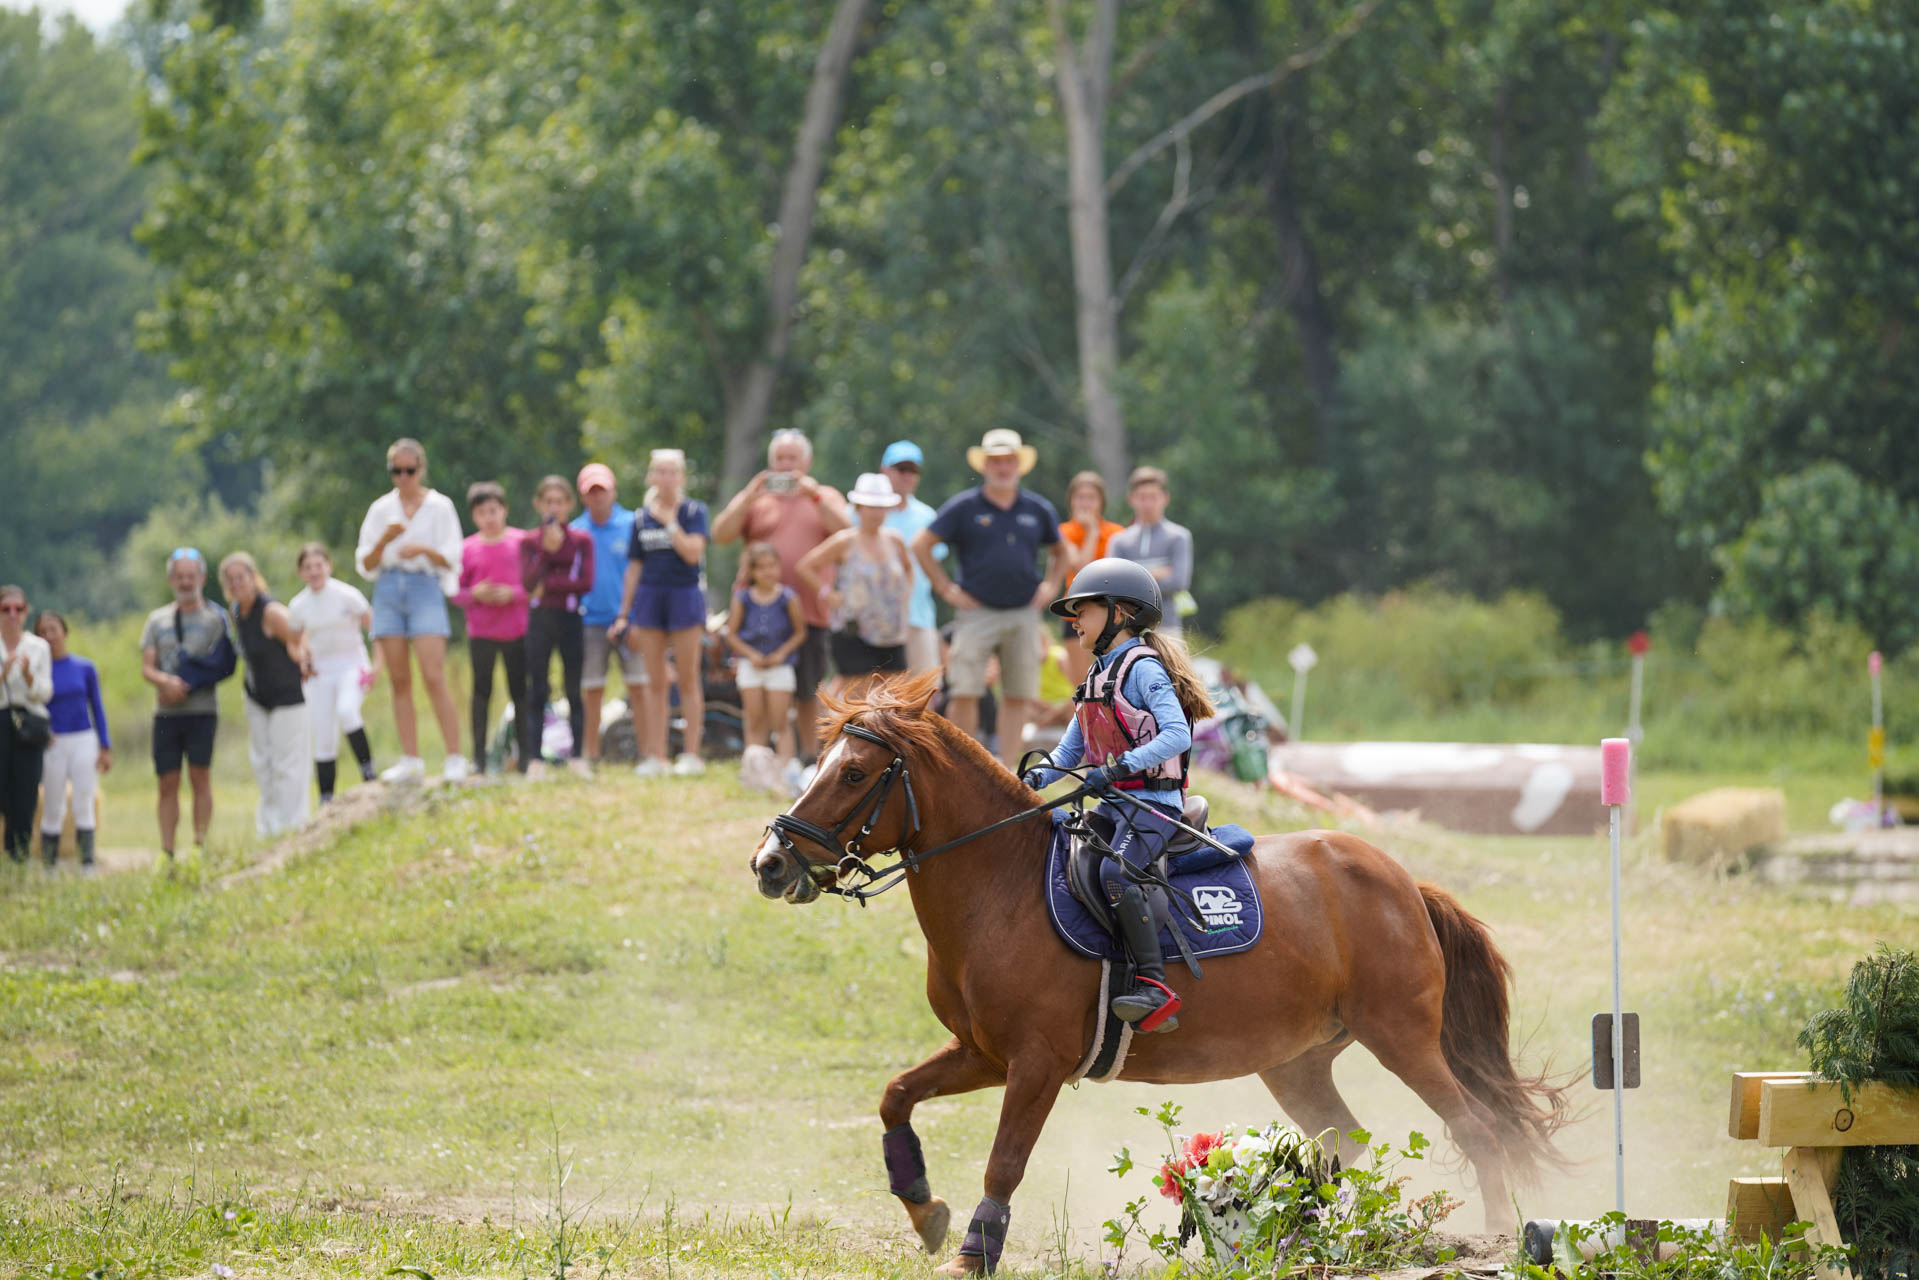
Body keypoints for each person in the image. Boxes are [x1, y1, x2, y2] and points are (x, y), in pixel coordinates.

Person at [1021, 558, 1217, 1034]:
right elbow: (1067, 753)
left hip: (1154, 807)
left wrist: (1121, 767)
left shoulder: (1143, 670)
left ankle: (1153, 983)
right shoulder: (1092, 679)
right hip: (1114, 807)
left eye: (1083, 611)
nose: (1074, 622)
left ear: (1120, 613)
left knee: (1117, 871)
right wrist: (1031, 783)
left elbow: (1177, 735)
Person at [911, 428, 1066, 773]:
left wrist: (1051, 585)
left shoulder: (1036, 509)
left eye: (1008, 460)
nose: (1003, 467)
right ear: (985, 466)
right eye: (996, 461)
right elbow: (922, 544)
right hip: (977, 610)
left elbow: (1060, 551)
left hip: (1024, 611)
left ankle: (1007, 770)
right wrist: (946, 587)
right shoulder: (965, 506)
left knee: (1018, 693)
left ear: (1018, 465)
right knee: (964, 689)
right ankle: (961, 768)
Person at [710, 429, 849, 763]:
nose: (786, 466)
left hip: (810, 611)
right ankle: (760, 758)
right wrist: (747, 495)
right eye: (780, 459)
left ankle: (808, 758)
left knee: (808, 689)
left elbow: (848, 534)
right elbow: (721, 534)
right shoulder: (757, 499)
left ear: (807, 462)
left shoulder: (824, 495)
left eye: (793, 459)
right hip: (758, 614)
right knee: (759, 689)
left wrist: (814, 496)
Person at [356, 438, 468, 782]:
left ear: (420, 469)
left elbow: (453, 557)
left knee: (433, 674)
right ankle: (411, 759)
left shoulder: (440, 506)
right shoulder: (380, 510)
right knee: (399, 679)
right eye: (396, 471)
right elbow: (366, 564)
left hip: (425, 587)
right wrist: (384, 541)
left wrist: (423, 549)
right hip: (388, 587)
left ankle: (454, 756)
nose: (403, 478)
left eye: (409, 471)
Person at [611, 449, 710, 777]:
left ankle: (692, 755)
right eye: (660, 472)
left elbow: (693, 554)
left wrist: (670, 523)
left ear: (681, 477)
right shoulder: (640, 518)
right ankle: (657, 756)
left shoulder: (695, 511)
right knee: (655, 681)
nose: (666, 478)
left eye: (673, 472)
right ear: (651, 476)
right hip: (650, 599)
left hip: (684, 596)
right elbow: (634, 569)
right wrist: (625, 614)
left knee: (687, 678)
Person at [139, 548, 236, 867]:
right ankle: (166, 851)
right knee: (167, 781)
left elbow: (225, 664)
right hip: (165, 713)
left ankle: (199, 846)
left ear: (202, 578)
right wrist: (166, 683)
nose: (185, 581)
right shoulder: (157, 619)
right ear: (170, 579)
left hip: (202, 711)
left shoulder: (216, 618)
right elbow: (147, 667)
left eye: (190, 576)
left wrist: (189, 686)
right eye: (179, 576)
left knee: (200, 777)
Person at [220, 552, 311, 837]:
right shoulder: (236, 611)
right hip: (258, 697)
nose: (237, 584)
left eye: (241, 577)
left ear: (253, 577)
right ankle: (268, 828)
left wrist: (304, 659)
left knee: (288, 763)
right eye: (230, 580)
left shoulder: (270, 611)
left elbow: (299, 635)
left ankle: (292, 825)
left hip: (287, 695)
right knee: (263, 763)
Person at [797, 473, 913, 683]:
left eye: (881, 507)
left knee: (894, 699)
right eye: (871, 507)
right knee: (861, 701)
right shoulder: (845, 541)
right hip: (854, 631)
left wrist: (905, 596)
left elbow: (908, 568)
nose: (876, 513)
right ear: (859, 508)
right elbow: (806, 566)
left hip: (891, 631)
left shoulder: (895, 540)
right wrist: (827, 593)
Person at [288, 544, 380, 803]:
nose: (314, 572)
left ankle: (368, 772)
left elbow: (374, 626)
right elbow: (293, 641)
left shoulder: (346, 595)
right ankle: (326, 796)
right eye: (308, 567)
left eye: (319, 565)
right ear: (301, 572)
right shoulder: (299, 605)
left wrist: (378, 663)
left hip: (351, 664)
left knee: (347, 711)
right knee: (323, 734)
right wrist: (301, 659)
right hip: (321, 671)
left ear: (328, 566)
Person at [570, 463, 649, 765]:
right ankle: (591, 754)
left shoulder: (633, 524)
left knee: (639, 686)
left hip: (630, 619)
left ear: (614, 491)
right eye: (592, 492)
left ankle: (647, 754)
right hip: (590, 620)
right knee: (591, 689)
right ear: (583, 497)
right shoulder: (576, 531)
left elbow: (642, 574)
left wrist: (637, 617)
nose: (598, 497)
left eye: (603, 491)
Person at [455, 484, 534, 775]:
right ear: (474, 516)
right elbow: (455, 591)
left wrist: (513, 593)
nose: (489, 517)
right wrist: (475, 594)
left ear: (504, 510)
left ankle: (526, 755)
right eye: (482, 512)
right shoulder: (466, 549)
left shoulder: (522, 542)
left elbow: (537, 584)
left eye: (493, 510)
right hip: (482, 632)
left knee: (521, 693)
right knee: (481, 693)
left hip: (517, 629)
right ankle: (479, 757)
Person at [521, 475, 595, 777]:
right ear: (539, 504)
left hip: (570, 619)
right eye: (548, 501)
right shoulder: (529, 542)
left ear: (569, 505)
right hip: (539, 621)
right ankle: (534, 759)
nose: (554, 507)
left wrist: (547, 583)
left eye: (559, 501)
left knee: (574, 688)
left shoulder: (581, 540)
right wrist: (547, 552)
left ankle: (578, 755)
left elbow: (584, 583)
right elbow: (527, 584)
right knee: (538, 688)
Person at [724, 542, 807, 786]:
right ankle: (755, 770)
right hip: (751, 666)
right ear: (751, 571)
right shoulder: (743, 599)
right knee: (755, 718)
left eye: (771, 566)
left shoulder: (788, 598)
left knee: (780, 719)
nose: (767, 572)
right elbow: (731, 633)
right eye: (761, 568)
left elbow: (799, 632)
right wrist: (750, 654)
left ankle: (786, 768)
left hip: (779, 666)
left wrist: (781, 653)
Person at [34, 612, 110, 869]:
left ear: (64, 632)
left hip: (83, 738)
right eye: (43, 632)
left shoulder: (84, 667)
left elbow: (96, 706)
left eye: (53, 629)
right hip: (53, 741)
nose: (49, 636)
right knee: (53, 803)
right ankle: (49, 865)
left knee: (84, 801)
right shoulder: (38, 671)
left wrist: (105, 745)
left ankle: (87, 863)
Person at [879, 441, 945, 674]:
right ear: (884, 471)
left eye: (913, 470)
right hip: (874, 621)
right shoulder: (862, 511)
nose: (907, 476)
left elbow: (934, 564)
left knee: (922, 693)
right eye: (901, 469)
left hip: (918, 616)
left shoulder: (927, 516)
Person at [1056, 470, 1125, 687]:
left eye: (1091, 498)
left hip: (1111, 610)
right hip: (1075, 612)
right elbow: (1080, 568)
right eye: (1080, 497)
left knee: (1114, 678)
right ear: (1071, 502)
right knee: (1082, 682)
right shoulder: (1064, 531)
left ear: (1101, 502)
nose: (1085, 503)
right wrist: (1092, 533)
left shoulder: (1116, 533)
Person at [1108, 466, 1195, 636]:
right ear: (1131, 499)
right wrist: (1158, 573)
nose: (1148, 504)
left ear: (1165, 498)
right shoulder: (1119, 540)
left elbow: (1179, 582)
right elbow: (1113, 585)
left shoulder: (1179, 537)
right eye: (1142, 497)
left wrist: (1132, 574)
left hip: (1168, 626)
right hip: (1127, 628)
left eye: (1153, 497)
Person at [0, 586, 53, 864]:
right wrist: (4, 673)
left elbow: (46, 693)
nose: (12, 615)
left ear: (26, 611)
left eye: (18, 609)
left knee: (25, 791)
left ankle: (18, 856)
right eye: (5, 609)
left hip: (29, 723)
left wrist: (30, 680)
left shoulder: (38, 647)